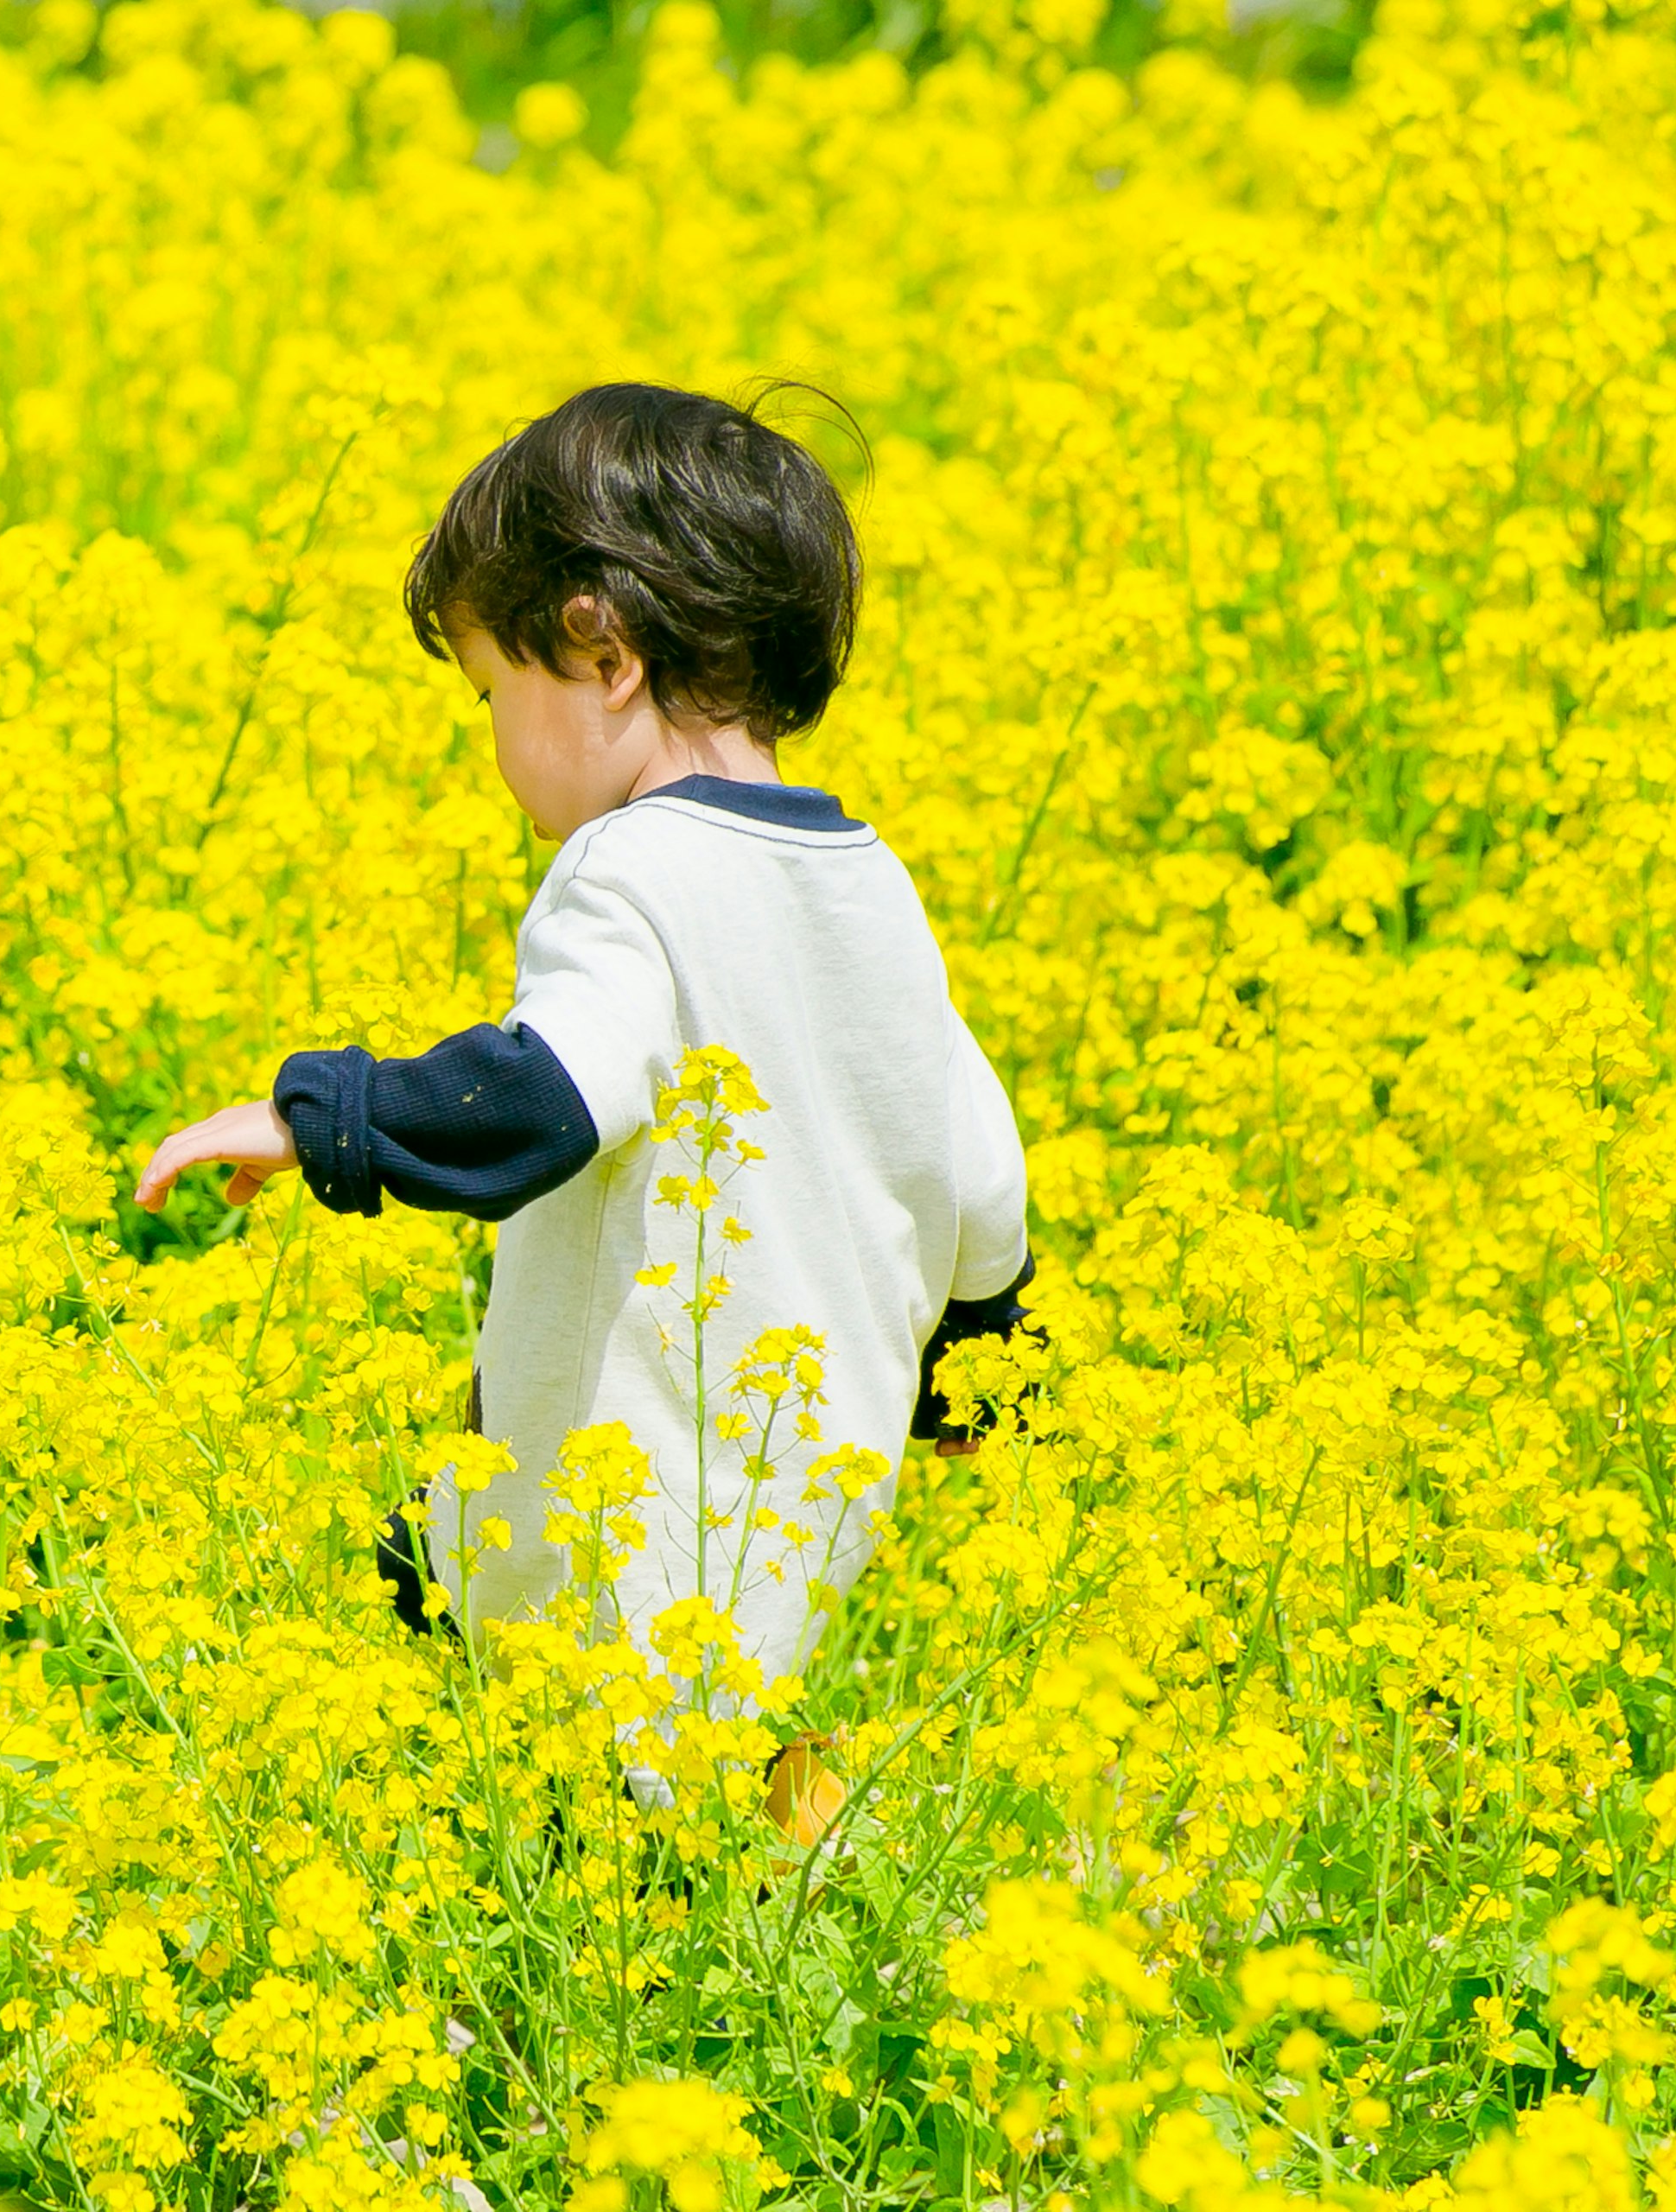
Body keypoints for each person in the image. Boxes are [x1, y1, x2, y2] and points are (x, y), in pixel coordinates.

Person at [135, 383, 1032, 1801]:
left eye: (495, 690)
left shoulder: (631, 873)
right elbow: (982, 1184)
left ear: (599, 650)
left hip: (612, 1552)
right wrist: (983, 1390)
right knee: (694, 1818)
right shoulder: (876, 890)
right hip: (796, 1533)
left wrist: (325, 1118)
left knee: (521, 1819)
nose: (492, 740)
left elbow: (551, 1092)